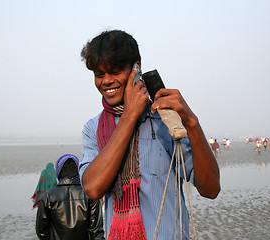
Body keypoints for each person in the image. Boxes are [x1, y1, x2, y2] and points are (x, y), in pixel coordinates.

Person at [79, 30, 220, 239]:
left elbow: (210, 189)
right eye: (99, 75)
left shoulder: (164, 120)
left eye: (115, 71)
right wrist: (129, 116)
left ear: (136, 68)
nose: (106, 81)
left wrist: (191, 123)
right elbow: (93, 188)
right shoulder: (94, 128)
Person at [36, 154, 105, 240]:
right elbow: (97, 232)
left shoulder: (48, 196)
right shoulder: (89, 194)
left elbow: (41, 232)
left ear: (59, 172)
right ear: (78, 171)